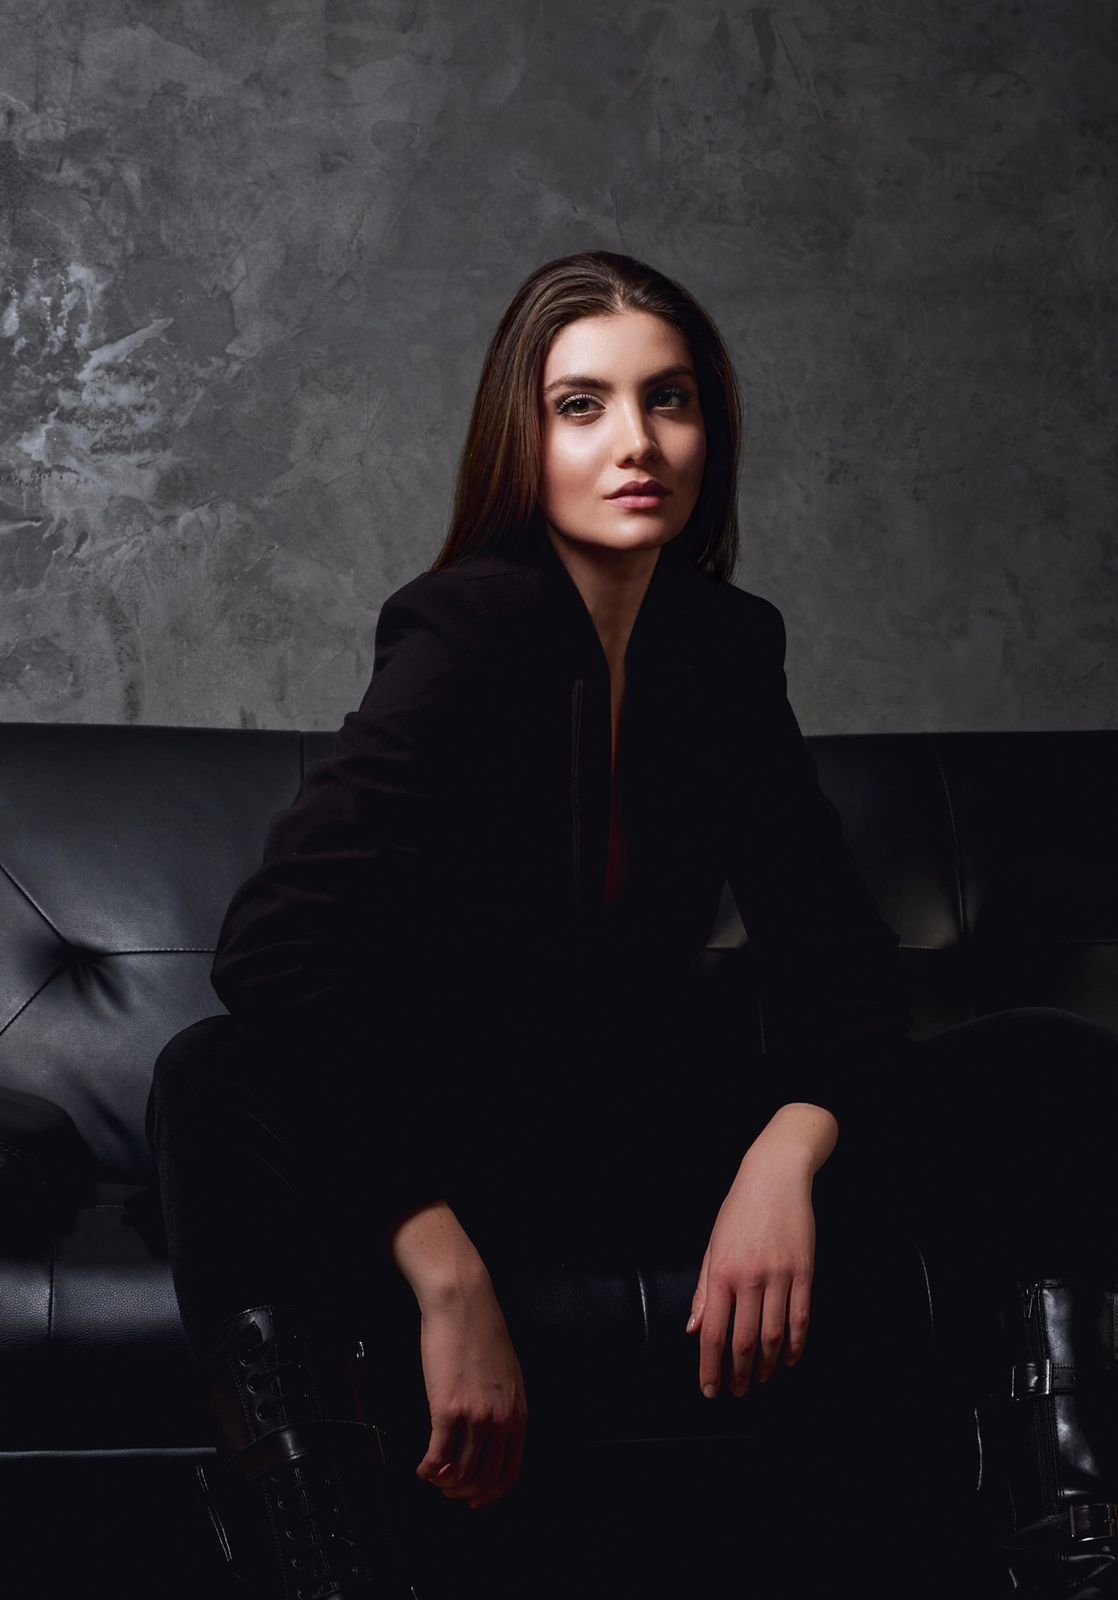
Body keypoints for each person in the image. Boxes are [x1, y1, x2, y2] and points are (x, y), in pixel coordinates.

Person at [147, 250, 1118, 1600]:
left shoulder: (726, 644)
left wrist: (784, 1155)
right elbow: (271, 948)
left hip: (649, 1120)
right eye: (581, 405)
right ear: (524, 439)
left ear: (709, 428)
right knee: (210, 1073)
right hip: (458, 1133)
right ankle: (329, 1570)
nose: (637, 442)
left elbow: (834, 953)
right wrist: (443, 1274)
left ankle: (1071, 1548)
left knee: (1047, 1062)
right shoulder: (461, 631)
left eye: (668, 399)